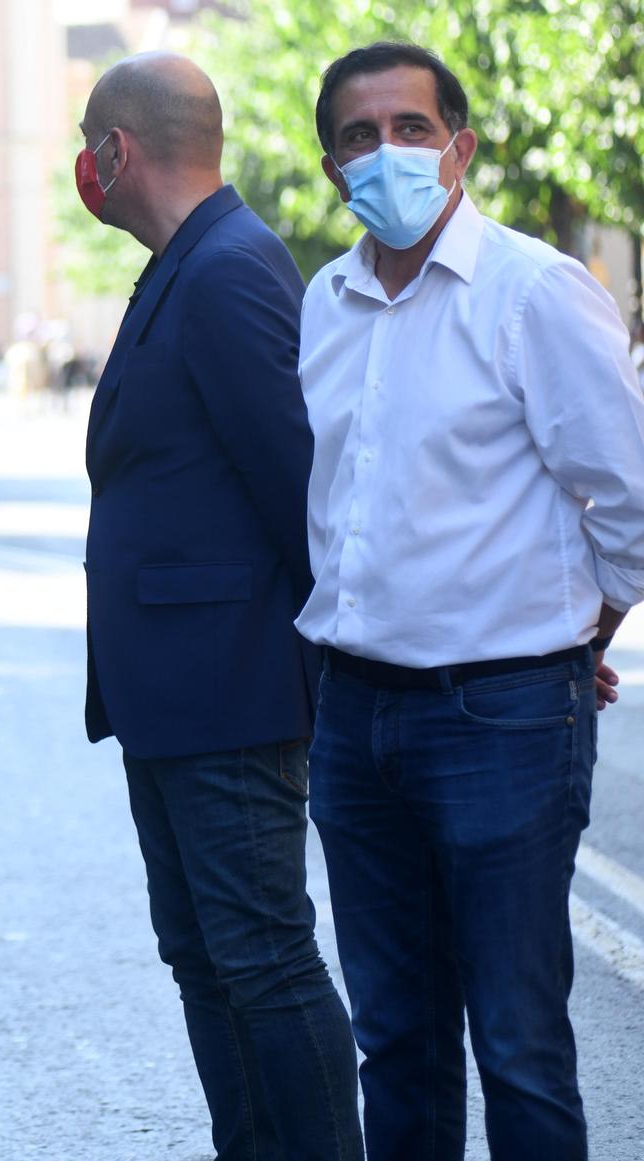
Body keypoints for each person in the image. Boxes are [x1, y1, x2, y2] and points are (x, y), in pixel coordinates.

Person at [298, 43, 644, 1159]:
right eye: (358, 136)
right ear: (329, 166)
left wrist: (569, 636)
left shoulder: (535, 292)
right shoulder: (325, 302)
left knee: (516, 1041)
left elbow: (627, 499)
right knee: (393, 1039)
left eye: (408, 127)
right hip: (352, 721)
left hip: (500, 721)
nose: (386, 152)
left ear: (459, 146)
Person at [76, 52, 363, 1160]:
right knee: (205, 954)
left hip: (228, 690)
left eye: (86, 152)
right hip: (172, 692)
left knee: (261, 956)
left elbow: (297, 487)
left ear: (116, 152)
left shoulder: (230, 268)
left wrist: (335, 669)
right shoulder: (181, 264)